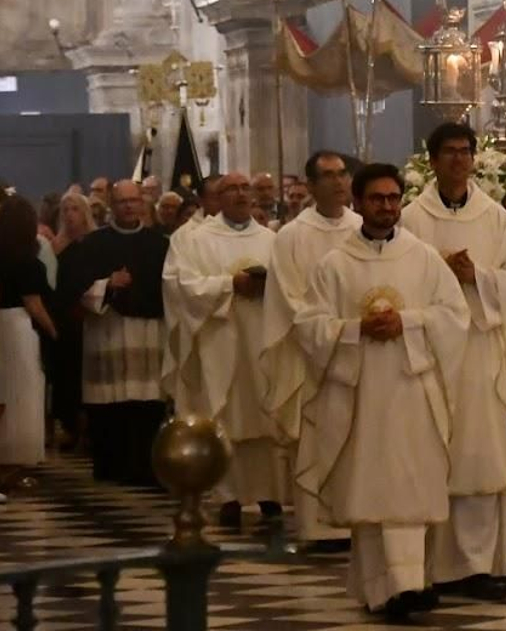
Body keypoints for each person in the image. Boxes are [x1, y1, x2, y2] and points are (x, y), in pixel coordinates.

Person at [294, 163, 470, 622]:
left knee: (408, 488)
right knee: (370, 493)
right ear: (357, 202)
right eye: (377, 199)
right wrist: (356, 330)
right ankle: (383, 590)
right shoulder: (334, 265)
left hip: (412, 391)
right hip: (361, 396)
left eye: (394, 198)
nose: (387, 207)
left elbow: (454, 316)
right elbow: (308, 328)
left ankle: (409, 584)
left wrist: (406, 322)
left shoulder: (423, 258)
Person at [401, 123, 506, 600]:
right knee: (436, 455)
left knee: (480, 459)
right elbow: (399, 279)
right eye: (450, 152)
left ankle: (480, 566)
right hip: (434, 354)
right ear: (433, 160)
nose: (459, 160)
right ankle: (432, 567)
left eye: (466, 151)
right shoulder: (413, 220)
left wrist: (475, 275)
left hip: (480, 353)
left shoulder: (496, 219)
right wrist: (440, 274)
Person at [163, 172, 286, 528]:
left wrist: (267, 287)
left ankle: (269, 493)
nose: (240, 194)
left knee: (265, 414)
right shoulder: (195, 240)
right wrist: (230, 284)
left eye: (244, 188)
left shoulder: (271, 239)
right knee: (225, 417)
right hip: (220, 341)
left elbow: (291, 286)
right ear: (216, 198)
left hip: (262, 339)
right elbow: (182, 286)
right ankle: (227, 495)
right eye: (230, 189)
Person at [262, 151, 360, 549]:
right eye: (329, 176)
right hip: (312, 357)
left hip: (359, 350)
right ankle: (316, 527)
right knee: (315, 440)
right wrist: (331, 333)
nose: (338, 183)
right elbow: (289, 298)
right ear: (311, 185)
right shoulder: (292, 236)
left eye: (343, 175)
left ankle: (353, 519)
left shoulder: (361, 227)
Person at [58, 180, 168, 485]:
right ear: (112, 207)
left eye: (134, 201)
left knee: (146, 404)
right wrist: (108, 284)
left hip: (148, 333)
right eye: (122, 202)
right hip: (107, 332)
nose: (129, 206)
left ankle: (145, 467)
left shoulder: (160, 244)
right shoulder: (93, 244)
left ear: (143, 205)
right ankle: (111, 466)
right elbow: (75, 287)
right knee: (109, 406)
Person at [0, 196, 57, 484]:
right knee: (22, 395)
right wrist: (54, 331)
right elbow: (34, 305)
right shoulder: (28, 261)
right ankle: (14, 461)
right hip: (18, 327)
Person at [48, 193, 96, 452]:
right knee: (66, 375)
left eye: (75, 209)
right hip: (63, 317)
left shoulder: (93, 242)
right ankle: (70, 426)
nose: (69, 214)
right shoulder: (56, 245)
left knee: (86, 374)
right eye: (65, 209)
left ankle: (88, 428)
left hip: (87, 314)